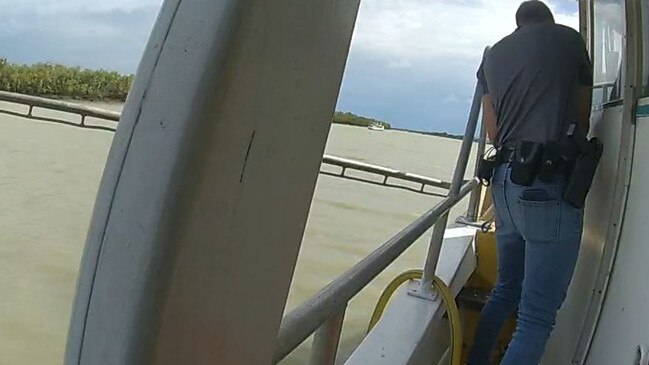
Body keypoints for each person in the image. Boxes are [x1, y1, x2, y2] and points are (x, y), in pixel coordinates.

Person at [466, 1, 593, 364]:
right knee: (535, 319)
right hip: (546, 184)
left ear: (518, 26)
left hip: (504, 183)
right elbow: (582, 117)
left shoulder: (492, 55)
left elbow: (493, 132)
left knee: (505, 289)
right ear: (548, 21)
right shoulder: (568, 40)